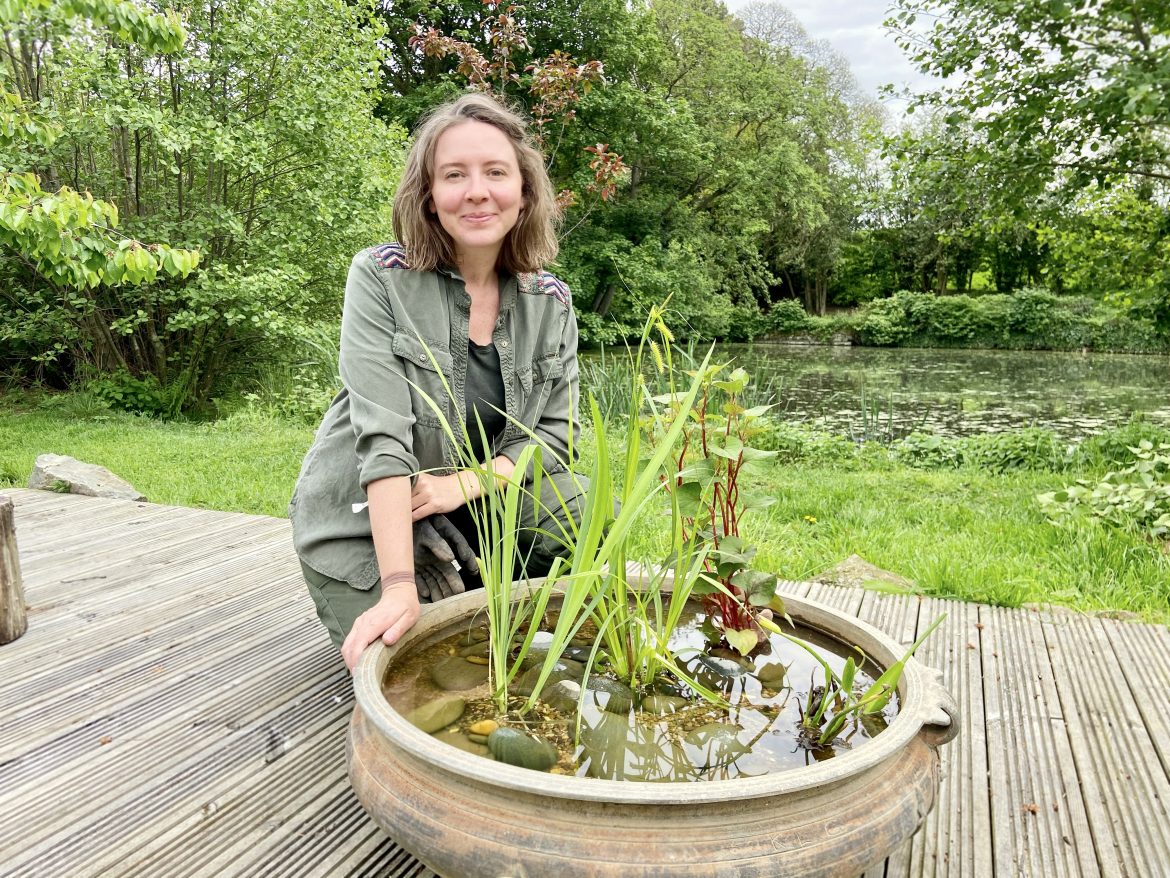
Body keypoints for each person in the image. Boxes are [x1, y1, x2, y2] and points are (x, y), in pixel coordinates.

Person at [289, 92, 583, 671]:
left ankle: (498, 585)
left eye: (495, 172)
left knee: (572, 547)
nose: (476, 190)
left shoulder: (551, 302)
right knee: (427, 674)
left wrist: (462, 486)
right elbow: (382, 441)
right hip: (361, 517)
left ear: (523, 193)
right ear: (429, 196)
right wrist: (399, 584)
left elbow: (552, 439)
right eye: (454, 174)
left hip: (473, 501)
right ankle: (408, 582)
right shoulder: (380, 277)